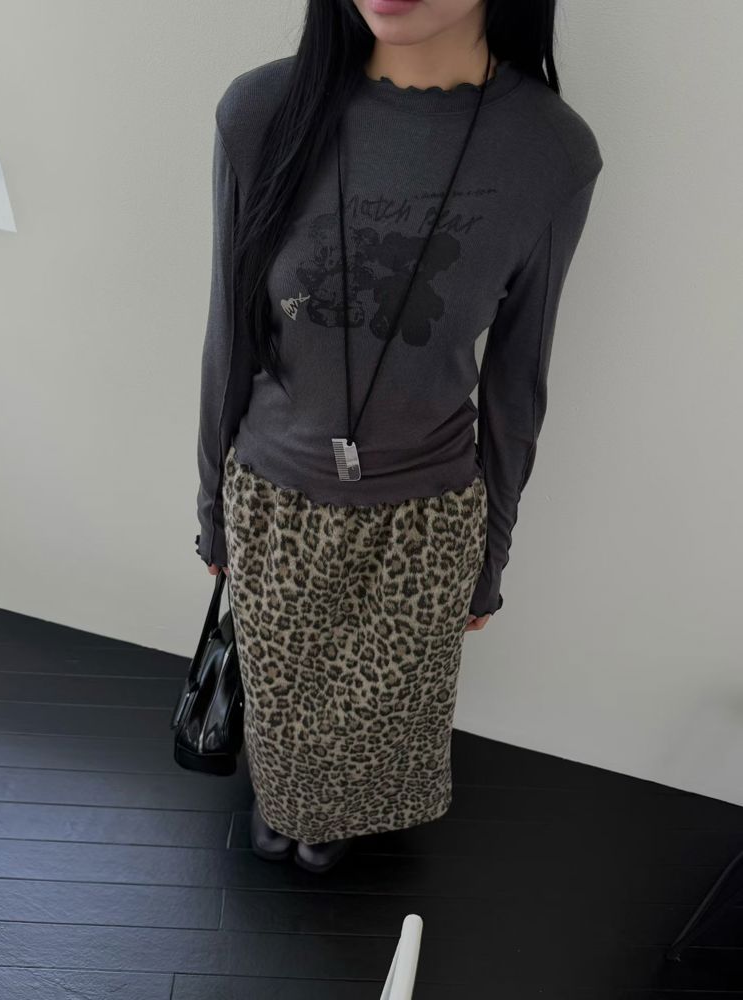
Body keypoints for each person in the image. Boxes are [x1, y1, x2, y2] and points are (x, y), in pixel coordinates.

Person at [194, 0, 604, 874]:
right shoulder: (261, 112)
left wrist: (491, 555)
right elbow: (229, 336)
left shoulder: (550, 152)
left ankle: (336, 815)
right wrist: (213, 507)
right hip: (274, 497)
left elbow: (517, 385)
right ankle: (286, 798)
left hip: (426, 519)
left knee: (383, 711)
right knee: (281, 689)